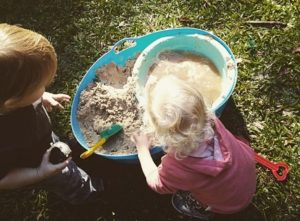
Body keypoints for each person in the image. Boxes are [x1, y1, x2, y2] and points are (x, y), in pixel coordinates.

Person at [0, 23, 105, 205]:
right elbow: (3, 179)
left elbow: (28, 97)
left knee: (59, 145)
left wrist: (41, 97)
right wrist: (40, 173)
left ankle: (62, 148)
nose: (45, 88)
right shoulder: (5, 141)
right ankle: (87, 193)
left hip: (43, 139)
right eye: (41, 86)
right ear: (13, 101)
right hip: (39, 163)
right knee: (68, 178)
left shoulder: (9, 95)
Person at [131, 75, 256, 220]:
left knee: (193, 193)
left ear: (160, 135)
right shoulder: (210, 119)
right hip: (246, 175)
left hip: (229, 204)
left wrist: (142, 150)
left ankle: (199, 206)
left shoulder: (178, 168)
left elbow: (157, 183)